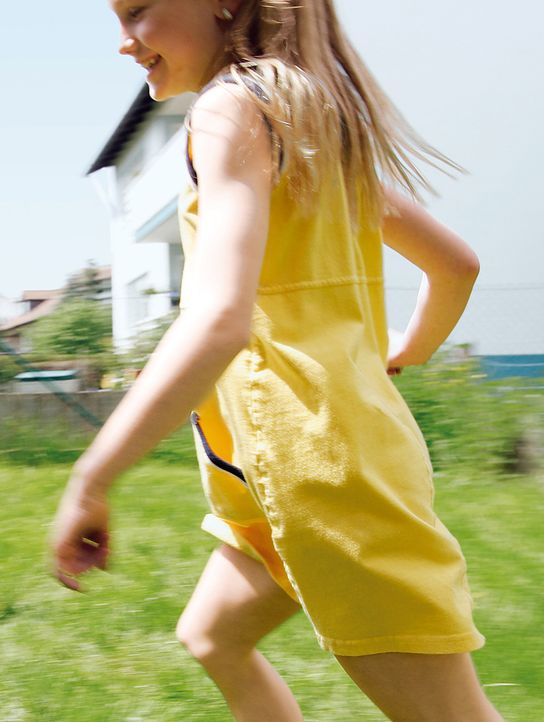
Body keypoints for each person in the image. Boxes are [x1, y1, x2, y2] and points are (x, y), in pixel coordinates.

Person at [51, 1, 500, 720]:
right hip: (284, 478)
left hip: (322, 484)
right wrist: (404, 355)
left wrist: (92, 475)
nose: (124, 42)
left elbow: (219, 318)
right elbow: (456, 266)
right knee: (211, 636)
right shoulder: (306, 122)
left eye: (139, 11)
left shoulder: (229, 111)